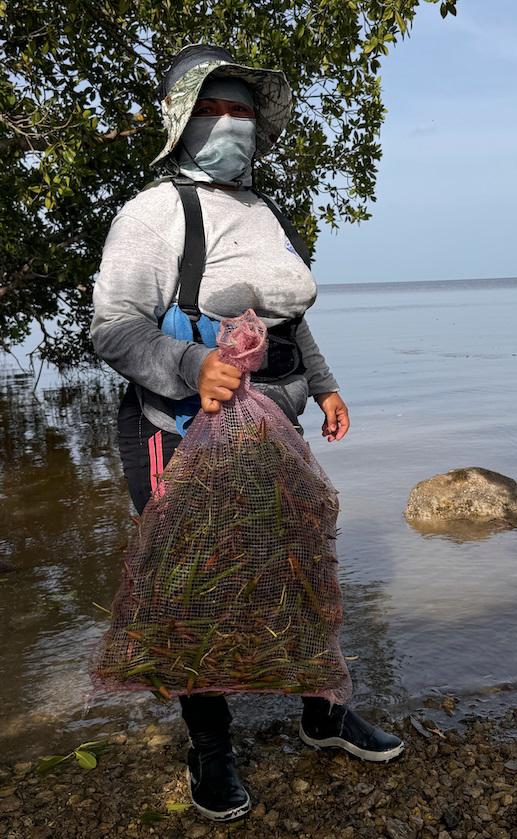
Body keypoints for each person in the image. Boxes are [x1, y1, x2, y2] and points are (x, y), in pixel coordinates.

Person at [91, 43, 405, 823]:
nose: (231, 122)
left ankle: (324, 710)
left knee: (300, 562)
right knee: (198, 590)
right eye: (212, 108)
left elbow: (288, 319)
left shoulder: (266, 211)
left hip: (277, 424)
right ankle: (211, 748)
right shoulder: (153, 214)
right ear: (180, 121)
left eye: (241, 108)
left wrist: (326, 389)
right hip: (183, 428)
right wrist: (192, 362)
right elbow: (112, 329)